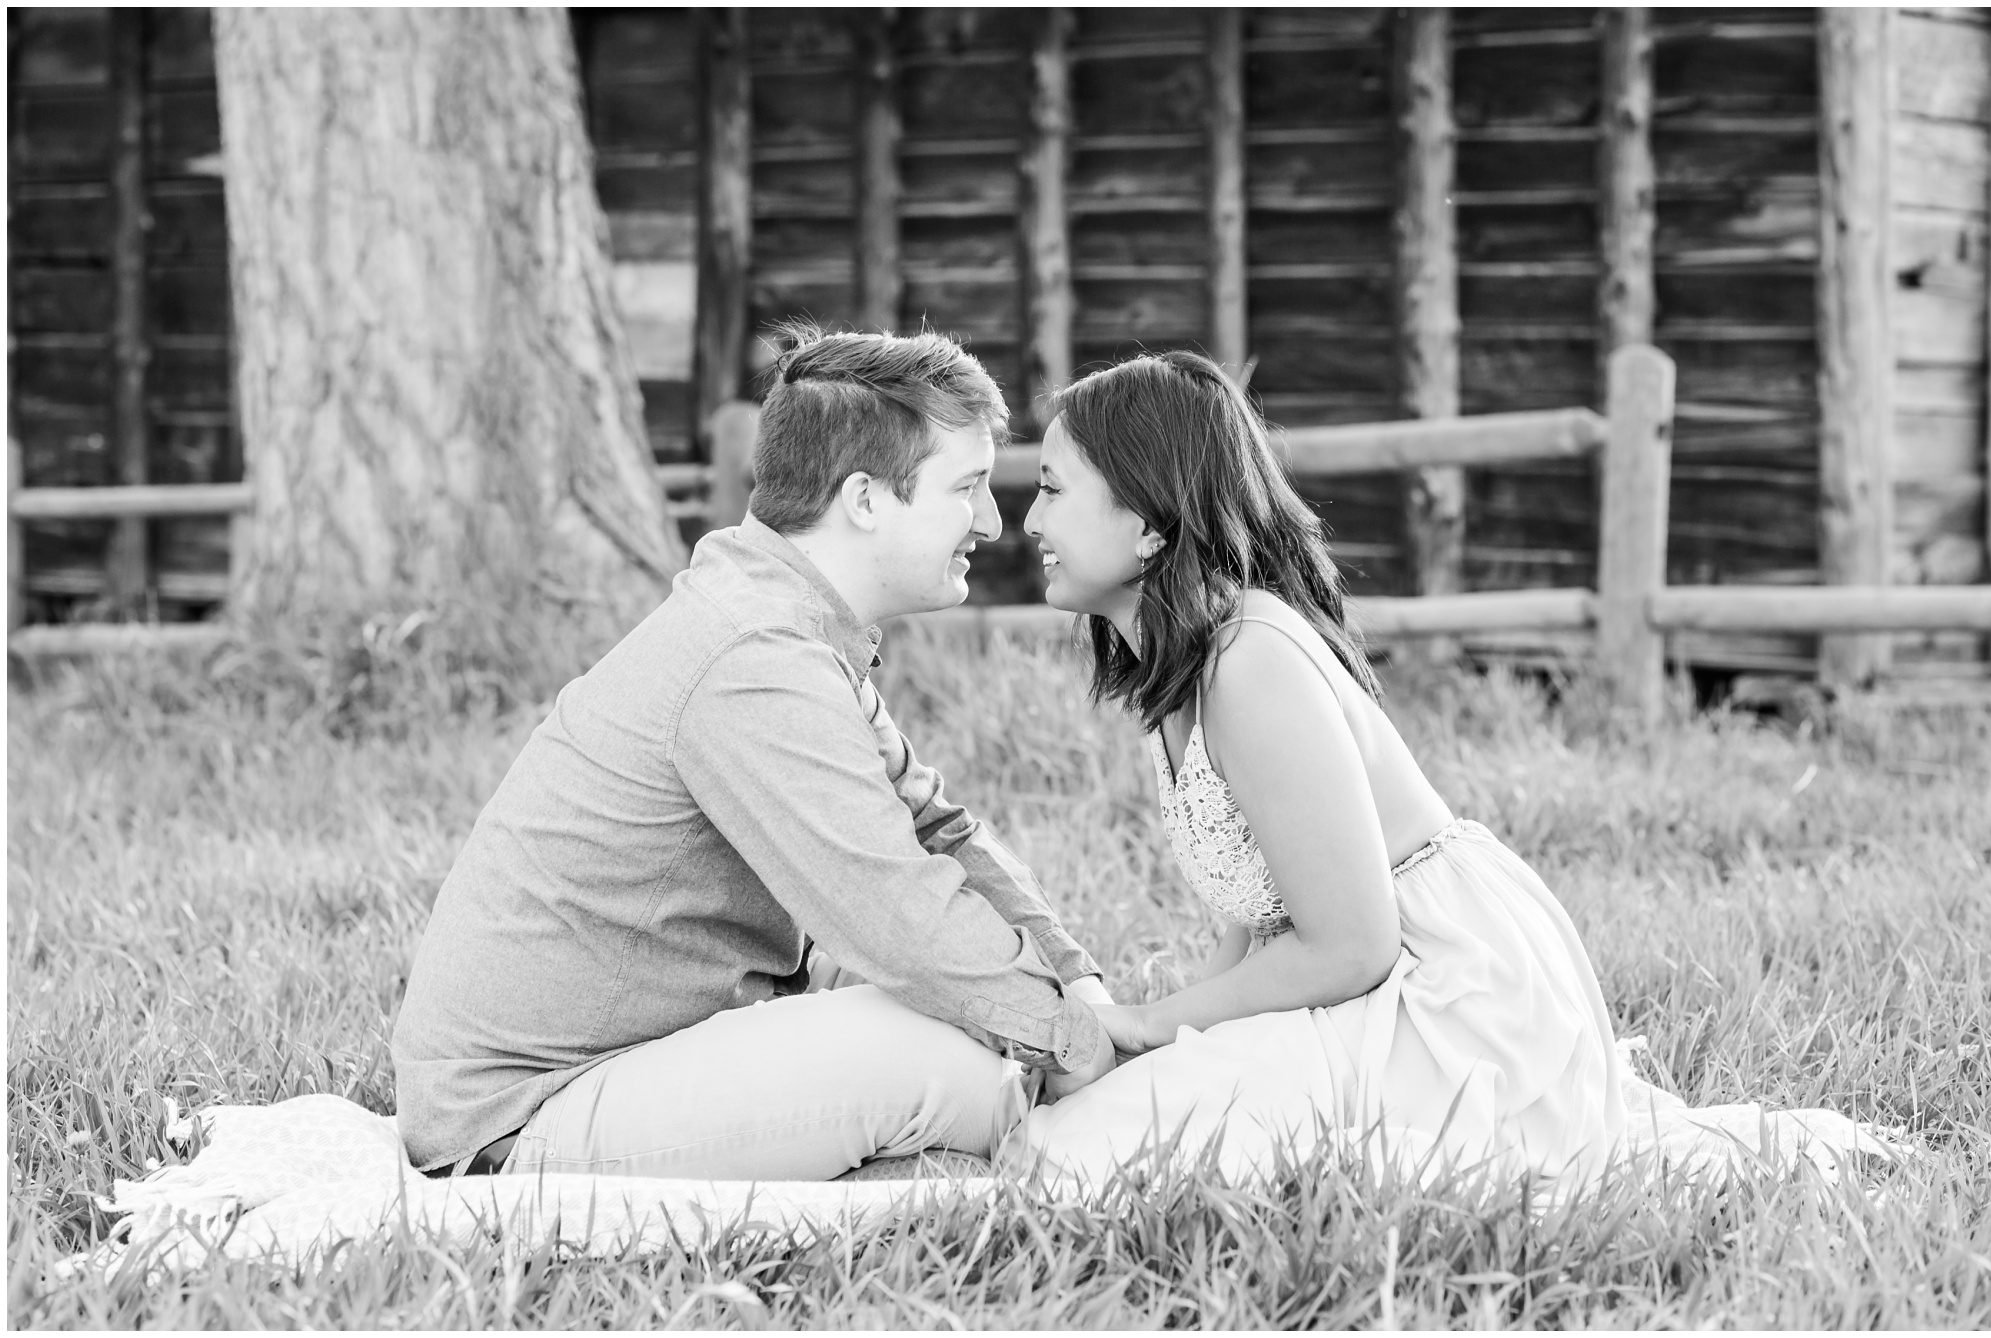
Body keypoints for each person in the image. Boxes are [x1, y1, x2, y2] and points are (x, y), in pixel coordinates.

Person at [392, 325, 1117, 1183]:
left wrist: (1082, 992)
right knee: (958, 1060)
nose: (993, 522)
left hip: (631, 1056)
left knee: (976, 1019)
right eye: (966, 488)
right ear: (864, 499)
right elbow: (892, 909)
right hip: (519, 1119)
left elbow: (937, 833)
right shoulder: (751, 654)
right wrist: (1076, 1043)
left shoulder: (783, 617)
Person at [1003, 350, 1627, 1193]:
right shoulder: (1184, 661)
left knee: (1102, 1155)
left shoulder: (1250, 661)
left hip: (1444, 998)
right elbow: (1261, 905)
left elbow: (1354, 944)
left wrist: (1150, 1025)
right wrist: (1159, 1042)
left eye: (1052, 488)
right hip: (1367, 975)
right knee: (1101, 1122)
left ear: (1149, 523)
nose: (1031, 521)